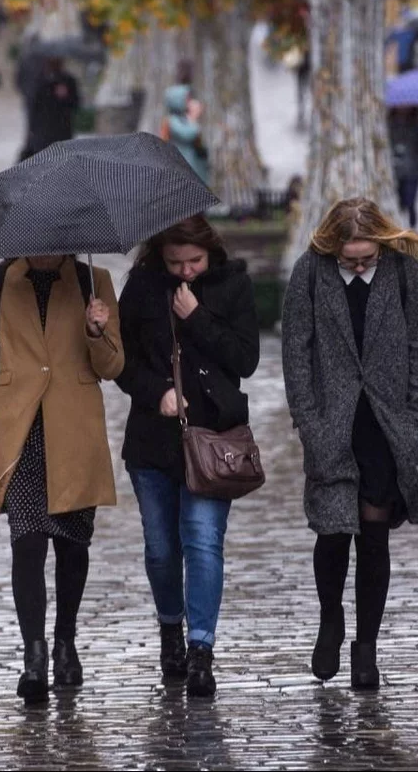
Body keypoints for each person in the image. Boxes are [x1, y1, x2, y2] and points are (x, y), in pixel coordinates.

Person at [281, 198, 418, 690]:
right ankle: (332, 618)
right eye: (349, 258)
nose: (358, 265)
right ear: (333, 248)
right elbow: (295, 350)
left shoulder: (403, 272)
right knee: (332, 530)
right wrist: (307, 420)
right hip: (332, 422)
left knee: (374, 535)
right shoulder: (310, 272)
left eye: (365, 257)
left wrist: (416, 421)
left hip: (386, 426)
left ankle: (365, 648)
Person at [0, 254, 124, 704]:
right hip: (21, 435)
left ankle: (65, 642)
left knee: (73, 545)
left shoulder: (95, 280)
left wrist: (97, 332)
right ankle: (34, 655)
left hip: (75, 432)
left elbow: (113, 366)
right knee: (28, 542)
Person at [115, 215, 259, 698]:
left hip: (212, 440)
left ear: (209, 252)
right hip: (153, 442)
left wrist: (196, 317)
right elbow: (121, 364)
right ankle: (170, 630)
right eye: (175, 262)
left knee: (202, 543)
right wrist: (156, 392)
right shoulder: (141, 287)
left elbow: (246, 360)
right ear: (160, 256)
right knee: (161, 549)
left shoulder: (232, 284)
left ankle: (201, 651)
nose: (185, 271)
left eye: (193, 261)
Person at [22, 58, 79, 160]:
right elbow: (33, 105)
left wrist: (65, 96)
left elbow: (75, 104)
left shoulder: (68, 80)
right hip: (43, 132)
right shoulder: (39, 81)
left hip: (63, 130)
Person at [160, 84, 208, 184]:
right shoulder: (172, 120)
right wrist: (193, 118)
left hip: (192, 167)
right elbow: (188, 134)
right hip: (181, 168)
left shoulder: (183, 119)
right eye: (187, 99)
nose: (189, 102)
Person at [388, 107, 418, 229]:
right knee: (399, 201)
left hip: (412, 169)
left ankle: (412, 228)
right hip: (396, 170)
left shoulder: (417, 124)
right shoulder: (389, 124)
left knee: (411, 201)